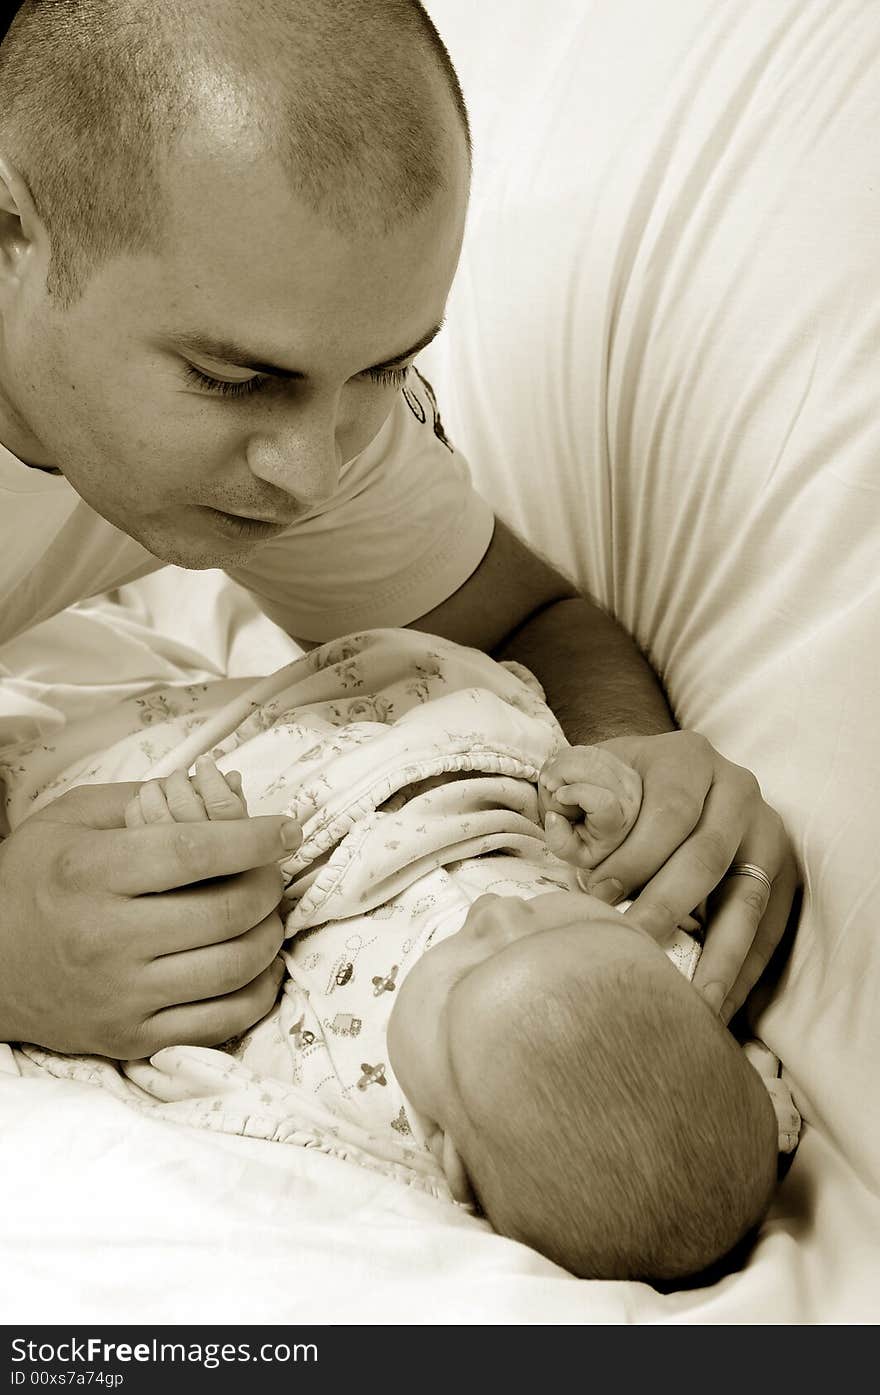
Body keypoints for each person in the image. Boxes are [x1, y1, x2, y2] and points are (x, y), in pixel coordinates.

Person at [0, 0, 794, 1062]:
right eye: (234, 380)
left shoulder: (308, 411)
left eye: (381, 369)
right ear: (11, 237)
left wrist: (633, 775)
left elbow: (526, 619)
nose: (314, 469)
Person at [14, 629, 790, 1283]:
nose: (498, 913)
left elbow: (175, 1061)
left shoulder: (349, 1115)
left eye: (469, 968)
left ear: (449, 1156)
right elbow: (734, 1087)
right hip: (422, 738)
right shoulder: (672, 1000)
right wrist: (609, 796)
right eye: (568, 922)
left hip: (244, 832)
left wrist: (191, 856)